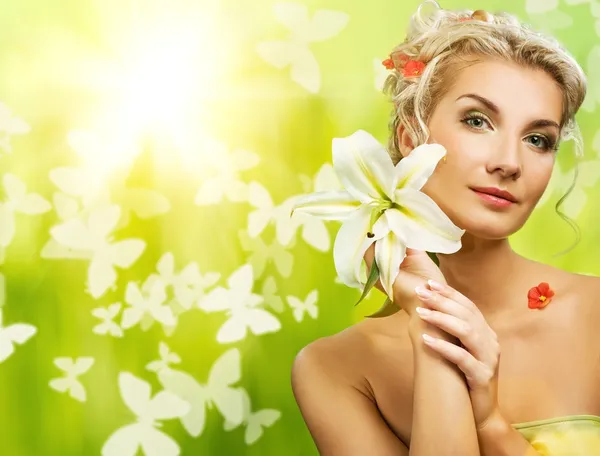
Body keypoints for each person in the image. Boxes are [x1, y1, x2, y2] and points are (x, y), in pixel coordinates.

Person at [290, 2, 600, 455]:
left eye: (538, 139)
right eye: (477, 121)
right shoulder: (335, 369)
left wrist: (490, 423)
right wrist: (433, 331)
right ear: (411, 139)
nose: (509, 163)